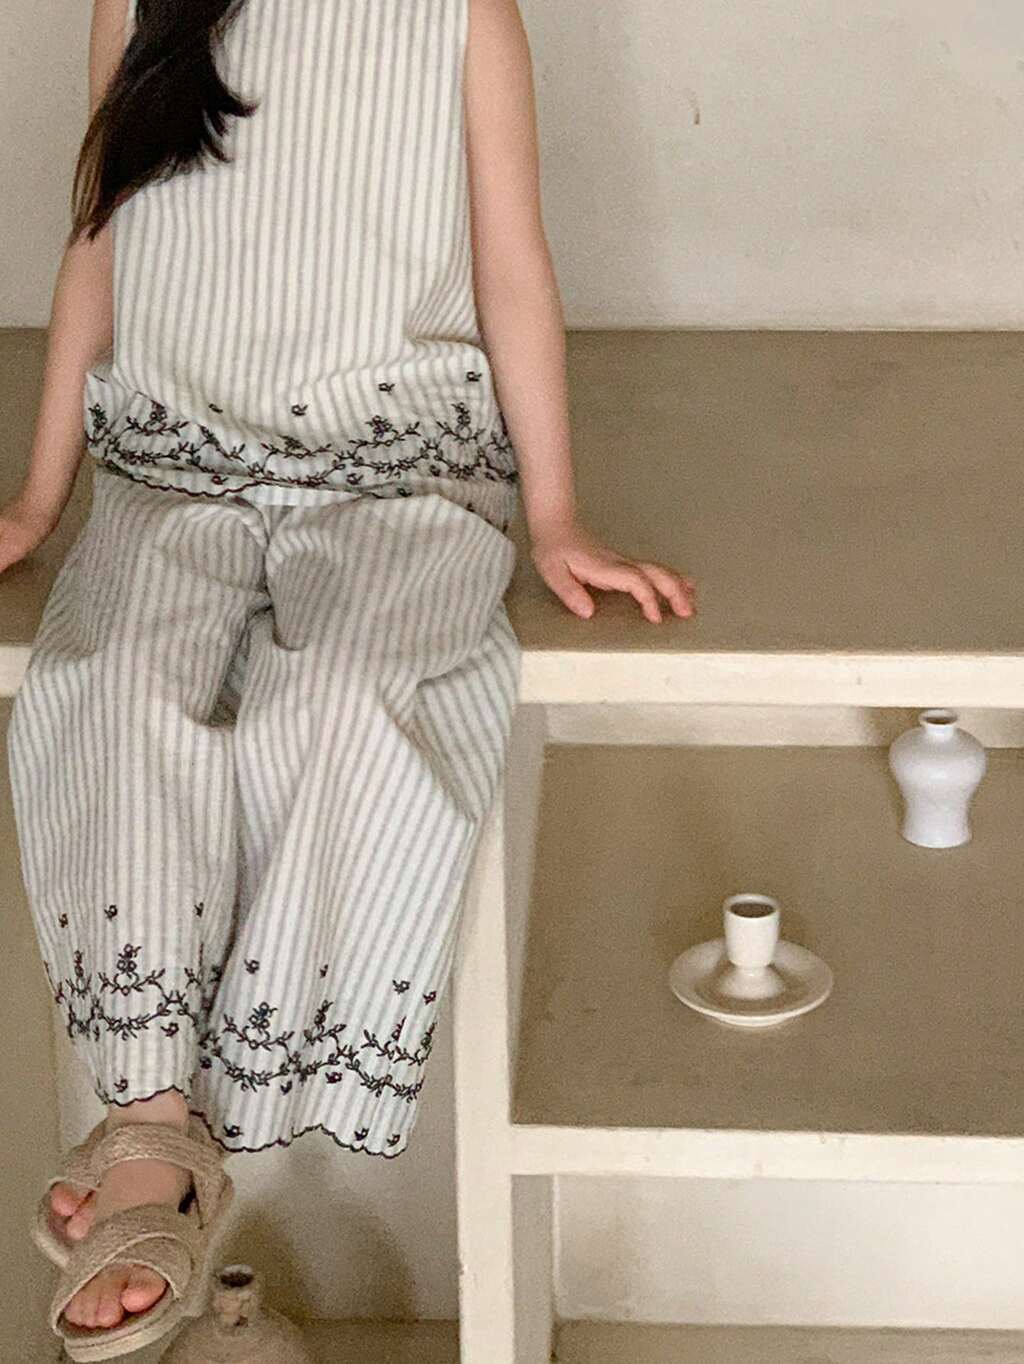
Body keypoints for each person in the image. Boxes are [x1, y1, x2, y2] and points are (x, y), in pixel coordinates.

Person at [1, 0, 697, 1351]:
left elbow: (510, 268)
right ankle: (150, 1117)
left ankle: (197, 1129)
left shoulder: (462, 17)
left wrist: (555, 512)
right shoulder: (135, 5)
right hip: (176, 467)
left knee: (346, 705)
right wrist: (40, 496)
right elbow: (97, 245)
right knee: (113, 681)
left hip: (400, 475)